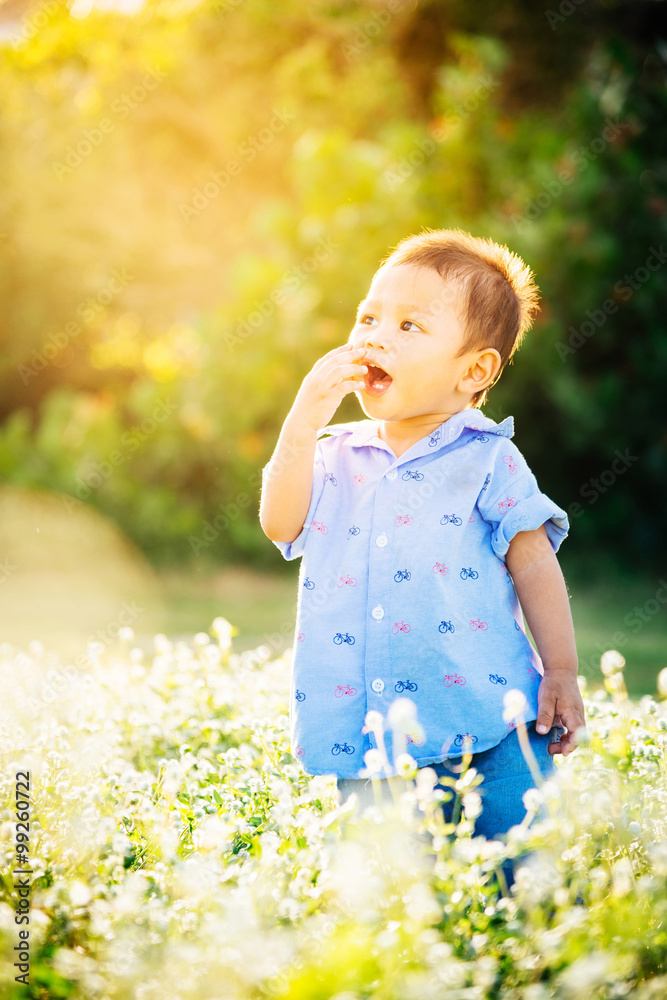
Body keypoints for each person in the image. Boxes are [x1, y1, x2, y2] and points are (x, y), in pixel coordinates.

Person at [259, 227, 586, 891]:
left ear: (474, 371)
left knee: (519, 879)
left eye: (409, 325)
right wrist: (300, 423)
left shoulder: (488, 458)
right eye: (368, 318)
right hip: (370, 724)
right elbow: (278, 521)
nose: (376, 336)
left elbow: (532, 562)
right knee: (392, 897)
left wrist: (561, 669)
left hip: (489, 720)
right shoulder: (330, 454)